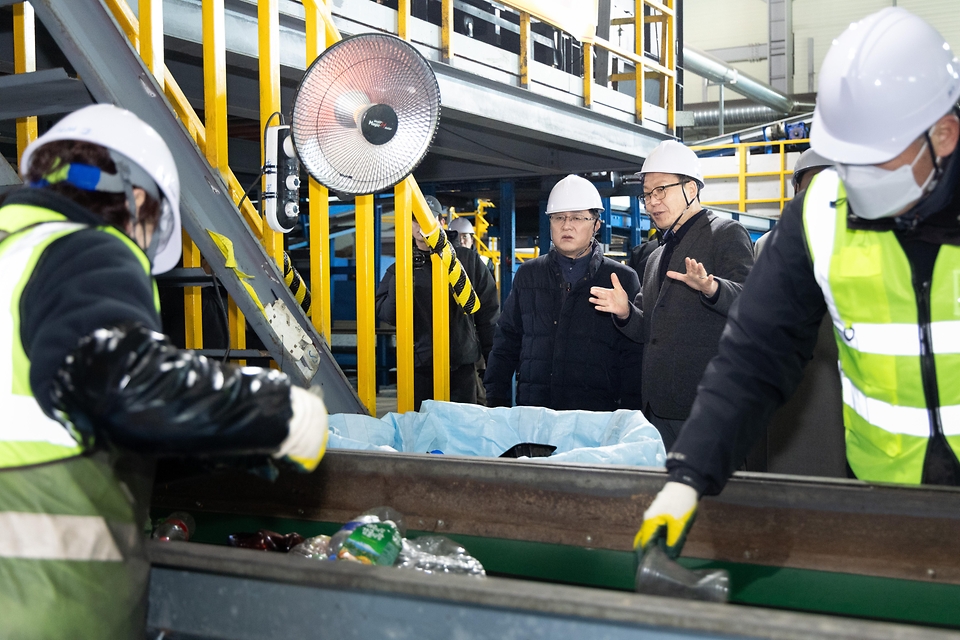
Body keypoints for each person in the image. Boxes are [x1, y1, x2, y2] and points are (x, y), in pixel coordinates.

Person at [634, 7, 960, 562]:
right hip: (884, 498)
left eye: (877, 162)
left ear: (944, 135)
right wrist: (689, 475)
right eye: (847, 161)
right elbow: (755, 353)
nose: (857, 182)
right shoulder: (821, 212)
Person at [0, 104, 329, 638]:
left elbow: (56, 421)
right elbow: (122, 386)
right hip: (34, 612)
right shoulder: (81, 249)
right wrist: (276, 411)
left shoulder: (15, 255)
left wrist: (225, 442)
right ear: (136, 200)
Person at [590, 140, 754, 449]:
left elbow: (752, 305)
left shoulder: (725, 234)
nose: (652, 202)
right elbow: (648, 330)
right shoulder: (656, 256)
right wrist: (625, 313)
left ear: (691, 189)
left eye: (661, 190)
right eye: (647, 194)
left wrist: (713, 288)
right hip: (658, 405)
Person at [483, 174, 643, 411]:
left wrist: (628, 414)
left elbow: (633, 356)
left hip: (596, 415)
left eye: (577, 217)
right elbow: (506, 342)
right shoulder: (529, 275)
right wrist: (495, 401)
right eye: (558, 218)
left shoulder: (620, 279)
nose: (566, 225)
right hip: (534, 411)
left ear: (596, 225)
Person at [376, 196, 499, 410]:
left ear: (441, 222)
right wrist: (402, 273)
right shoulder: (399, 267)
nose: (421, 225)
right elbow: (387, 315)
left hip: (460, 367)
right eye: (415, 220)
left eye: (427, 218)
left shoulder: (468, 261)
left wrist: (494, 365)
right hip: (418, 368)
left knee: (462, 426)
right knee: (421, 427)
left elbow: (488, 316)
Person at [754, 148, 833, 255]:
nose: (823, 189)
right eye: (815, 180)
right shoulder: (769, 244)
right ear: (797, 188)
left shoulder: (854, 242)